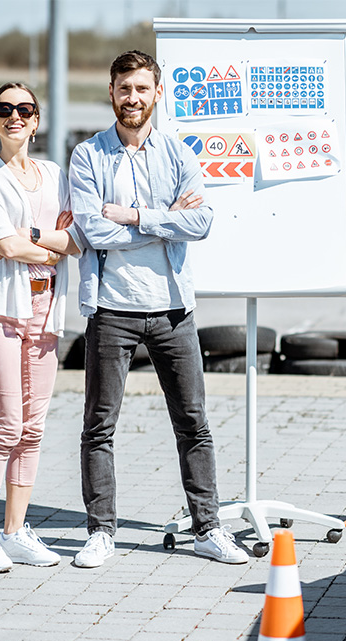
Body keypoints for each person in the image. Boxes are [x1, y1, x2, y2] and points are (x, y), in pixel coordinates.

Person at [68, 50, 248, 567]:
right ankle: (101, 533)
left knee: (193, 422)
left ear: (157, 93)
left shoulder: (177, 153)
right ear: (111, 92)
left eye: (142, 89)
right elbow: (92, 229)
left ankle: (208, 528)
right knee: (99, 426)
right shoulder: (88, 156)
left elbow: (203, 222)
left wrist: (134, 215)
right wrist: (164, 218)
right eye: (124, 89)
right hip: (111, 308)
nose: (133, 98)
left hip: (173, 310)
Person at [0, 82, 83, 573]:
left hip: (47, 308)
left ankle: (15, 531)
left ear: (37, 120)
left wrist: (38, 241)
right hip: (1, 309)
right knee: (7, 424)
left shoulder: (54, 174)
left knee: (33, 429)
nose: (15, 116)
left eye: (25, 109)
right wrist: (50, 245)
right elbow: (5, 248)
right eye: (4, 109)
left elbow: (78, 239)